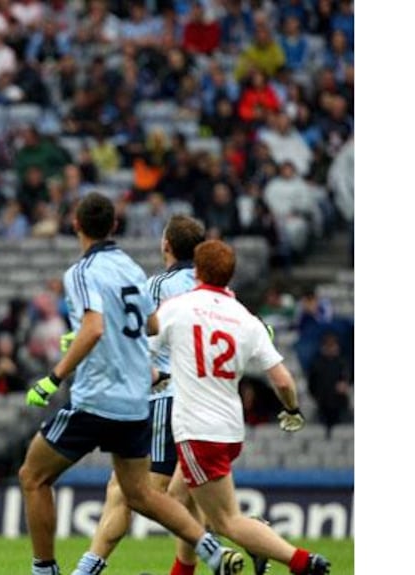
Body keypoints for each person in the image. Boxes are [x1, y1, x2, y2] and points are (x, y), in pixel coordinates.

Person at [18, 194, 243, 575]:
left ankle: (46, 570)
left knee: (33, 477)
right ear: (115, 226)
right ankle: (211, 550)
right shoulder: (132, 268)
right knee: (140, 493)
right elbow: (152, 325)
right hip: (140, 402)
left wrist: (54, 377)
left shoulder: (82, 271)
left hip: (102, 396)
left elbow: (94, 327)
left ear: (76, 225)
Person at [152, 239, 331, 575]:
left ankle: (302, 562)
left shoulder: (178, 307)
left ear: (197, 271)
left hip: (198, 429)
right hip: (231, 431)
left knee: (223, 521)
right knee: (181, 498)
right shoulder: (245, 318)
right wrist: (292, 411)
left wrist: (153, 377)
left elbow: (141, 353)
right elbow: (282, 380)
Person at [76, 215, 206, 574]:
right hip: (207, 400)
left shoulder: (158, 286)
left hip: (165, 397)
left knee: (129, 492)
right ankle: (249, 538)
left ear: (166, 245)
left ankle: (86, 570)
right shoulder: (213, 287)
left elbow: (121, 332)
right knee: (189, 494)